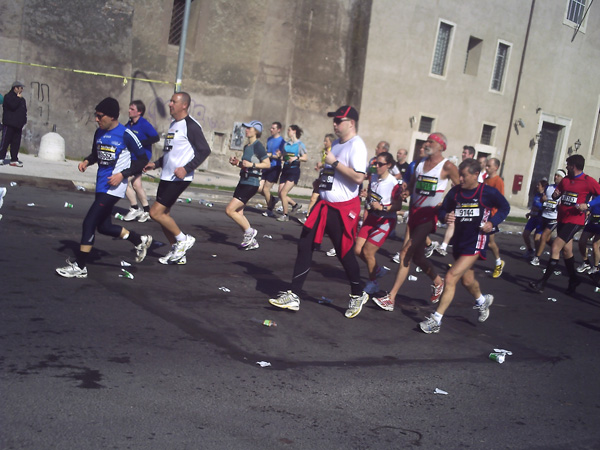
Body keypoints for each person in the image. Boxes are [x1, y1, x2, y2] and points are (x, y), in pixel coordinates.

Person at [268, 105, 369, 318]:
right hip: (324, 204)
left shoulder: (357, 145)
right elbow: (334, 172)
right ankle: (294, 295)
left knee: (344, 254)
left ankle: (357, 294)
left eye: (338, 120)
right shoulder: (337, 145)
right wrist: (321, 180)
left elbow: (359, 177)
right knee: (305, 244)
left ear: (351, 123)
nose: (334, 124)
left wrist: (334, 162)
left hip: (343, 208)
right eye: (334, 120)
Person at [55, 97, 152, 278]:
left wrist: (123, 174)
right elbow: (96, 154)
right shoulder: (99, 132)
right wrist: (86, 161)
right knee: (104, 227)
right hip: (101, 185)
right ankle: (139, 239)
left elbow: (142, 159)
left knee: (89, 222)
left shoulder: (126, 134)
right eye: (96, 116)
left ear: (112, 117)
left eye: (100, 116)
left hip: (114, 188)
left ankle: (80, 266)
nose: (96, 119)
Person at [419, 158, 510, 333]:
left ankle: (436, 320)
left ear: (476, 175)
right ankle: (482, 301)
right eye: (459, 175)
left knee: (451, 277)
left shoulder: (487, 192)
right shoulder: (455, 193)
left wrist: (492, 222)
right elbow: (442, 210)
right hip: (459, 241)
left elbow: (505, 207)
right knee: (467, 281)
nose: (460, 179)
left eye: (464, 176)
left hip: (476, 240)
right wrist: (445, 217)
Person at [373, 133, 459, 311]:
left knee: (405, 253)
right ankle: (438, 281)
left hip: (429, 216)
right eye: (426, 140)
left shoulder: (447, 166)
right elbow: (412, 185)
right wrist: (406, 192)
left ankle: (391, 297)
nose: (426, 144)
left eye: (431, 141)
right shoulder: (420, 164)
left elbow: (459, 190)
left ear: (441, 146)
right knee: (418, 257)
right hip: (414, 214)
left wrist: (449, 207)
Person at [144, 91, 211, 265]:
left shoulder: (191, 126)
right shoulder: (174, 124)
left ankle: (183, 240)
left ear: (184, 105)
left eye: (173, 101)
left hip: (179, 178)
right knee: (164, 215)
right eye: (170, 101)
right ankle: (178, 251)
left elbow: (204, 150)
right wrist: (156, 164)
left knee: (155, 213)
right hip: (167, 176)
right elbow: (171, 152)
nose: (170, 104)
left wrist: (187, 168)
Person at [529, 154, 600, 294]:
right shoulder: (566, 180)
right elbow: (558, 193)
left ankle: (542, 283)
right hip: (562, 218)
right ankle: (574, 279)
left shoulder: (588, 181)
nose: (566, 167)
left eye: (567, 165)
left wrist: (588, 204)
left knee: (555, 247)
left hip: (575, 220)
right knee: (566, 251)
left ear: (573, 166)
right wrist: (556, 195)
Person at [355, 151, 402, 294]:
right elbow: (373, 195)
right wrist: (366, 194)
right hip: (372, 217)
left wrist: (383, 207)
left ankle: (373, 282)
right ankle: (377, 269)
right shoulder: (373, 177)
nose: (377, 166)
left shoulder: (393, 183)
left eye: (380, 164)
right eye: (376, 163)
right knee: (357, 250)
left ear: (388, 166)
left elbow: (398, 206)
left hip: (385, 220)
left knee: (368, 252)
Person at [226, 120, 270, 250]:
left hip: (252, 183)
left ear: (256, 131)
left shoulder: (258, 146)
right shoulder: (247, 146)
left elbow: (267, 164)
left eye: (249, 128)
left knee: (229, 210)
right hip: (243, 181)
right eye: (246, 128)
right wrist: (238, 163)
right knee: (238, 212)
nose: (246, 130)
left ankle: (250, 232)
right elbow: (246, 165)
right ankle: (251, 241)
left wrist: (252, 165)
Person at [122, 100, 160, 223]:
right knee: (136, 185)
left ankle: (134, 208)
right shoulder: (129, 124)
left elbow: (155, 137)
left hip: (141, 159)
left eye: (132, 109)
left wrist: (139, 144)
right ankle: (147, 210)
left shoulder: (144, 124)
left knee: (123, 181)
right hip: (130, 158)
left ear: (139, 112)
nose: (129, 111)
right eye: (129, 108)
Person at [435, 146, 474, 257]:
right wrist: (443, 215)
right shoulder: (458, 169)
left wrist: (491, 221)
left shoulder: (475, 171)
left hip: (470, 204)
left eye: (465, 153)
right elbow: (443, 210)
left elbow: (503, 206)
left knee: (490, 242)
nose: (463, 154)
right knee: (451, 220)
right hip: (458, 199)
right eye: (462, 152)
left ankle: (498, 260)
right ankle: (444, 246)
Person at [530, 169, 565, 266]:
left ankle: (537, 257)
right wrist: (543, 199)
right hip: (544, 215)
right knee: (538, 238)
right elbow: (542, 199)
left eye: (558, 176)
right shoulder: (549, 187)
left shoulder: (563, 190)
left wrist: (560, 205)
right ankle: (557, 247)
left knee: (544, 236)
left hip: (554, 218)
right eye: (555, 175)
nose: (555, 177)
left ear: (562, 178)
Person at [301, 133, 335, 223]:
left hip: (329, 178)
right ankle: (308, 217)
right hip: (323, 175)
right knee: (314, 197)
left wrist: (322, 165)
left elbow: (333, 164)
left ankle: (320, 220)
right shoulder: (324, 151)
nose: (324, 143)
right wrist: (320, 167)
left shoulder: (333, 151)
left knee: (322, 199)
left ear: (331, 142)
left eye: (326, 141)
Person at [277, 124, 307, 222]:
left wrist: (296, 158)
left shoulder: (299, 145)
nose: (288, 131)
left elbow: (305, 158)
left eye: (289, 130)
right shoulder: (286, 144)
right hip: (285, 169)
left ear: (294, 131)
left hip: (293, 170)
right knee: (280, 194)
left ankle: (285, 215)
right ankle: (295, 205)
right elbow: (284, 156)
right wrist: (281, 156)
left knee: (283, 193)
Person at [483, 157, 506, 278]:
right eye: (486, 165)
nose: (486, 168)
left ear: (496, 167)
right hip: (483, 214)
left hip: (491, 216)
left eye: (489, 166)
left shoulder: (498, 181)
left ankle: (498, 263)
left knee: (490, 242)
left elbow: (500, 200)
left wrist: (494, 217)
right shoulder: (485, 180)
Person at [259, 122, 285, 218]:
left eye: (273, 128)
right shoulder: (269, 139)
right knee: (258, 187)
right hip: (267, 165)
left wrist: (273, 155)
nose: (271, 130)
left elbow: (281, 156)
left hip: (275, 167)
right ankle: (272, 200)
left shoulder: (282, 141)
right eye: (271, 128)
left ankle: (269, 209)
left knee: (266, 189)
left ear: (279, 130)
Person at [0, 81, 27, 167]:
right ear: (15, 88)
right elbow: (12, 106)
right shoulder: (8, 97)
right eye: (20, 88)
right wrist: (18, 98)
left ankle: (14, 159)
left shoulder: (22, 99)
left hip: (18, 125)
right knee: (5, 142)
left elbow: (24, 110)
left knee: (16, 143)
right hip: (9, 124)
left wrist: (24, 121)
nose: (22, 90)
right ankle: (1, 158)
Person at [522, 179, 547, 259]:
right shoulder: (536, 195)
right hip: (533, 218)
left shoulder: (545, 197)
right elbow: (534, 206)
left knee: (536, 238)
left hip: (540, 219)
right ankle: (530, 250)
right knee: (525, 234)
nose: (537, 186)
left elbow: (546, 208)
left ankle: (536, 254)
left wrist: (539, 210)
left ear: (543, 187)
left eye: (538, 185)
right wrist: (530, 213)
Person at [576, 199, 600, 274]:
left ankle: (596, 267)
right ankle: (586, 262)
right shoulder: (595, 193)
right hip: (592, 221)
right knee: (581, 242)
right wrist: (589, 210)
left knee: (595, 245)